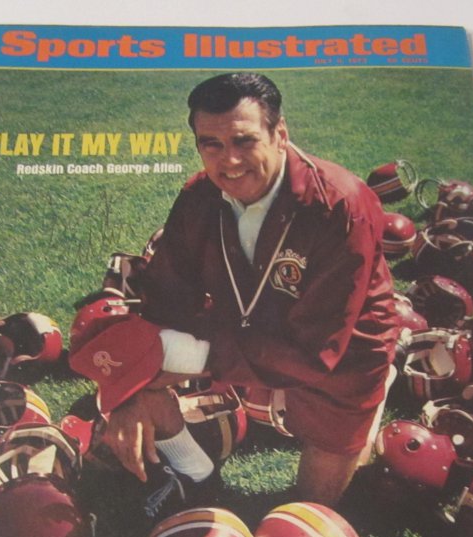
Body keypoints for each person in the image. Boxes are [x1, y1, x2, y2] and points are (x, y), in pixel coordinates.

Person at [85, 72, 397, 514]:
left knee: (307, 511)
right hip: (247, 326)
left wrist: (200, 359)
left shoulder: (340, 205)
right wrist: (128, 388)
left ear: (280, 133)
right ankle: (195, 474)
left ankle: (374, 400)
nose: (228, 161)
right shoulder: (200, 196)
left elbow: (314, 352)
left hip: (340, 354)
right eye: (211, 144)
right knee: (147, 358)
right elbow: (164, 300)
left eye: (244, 141)